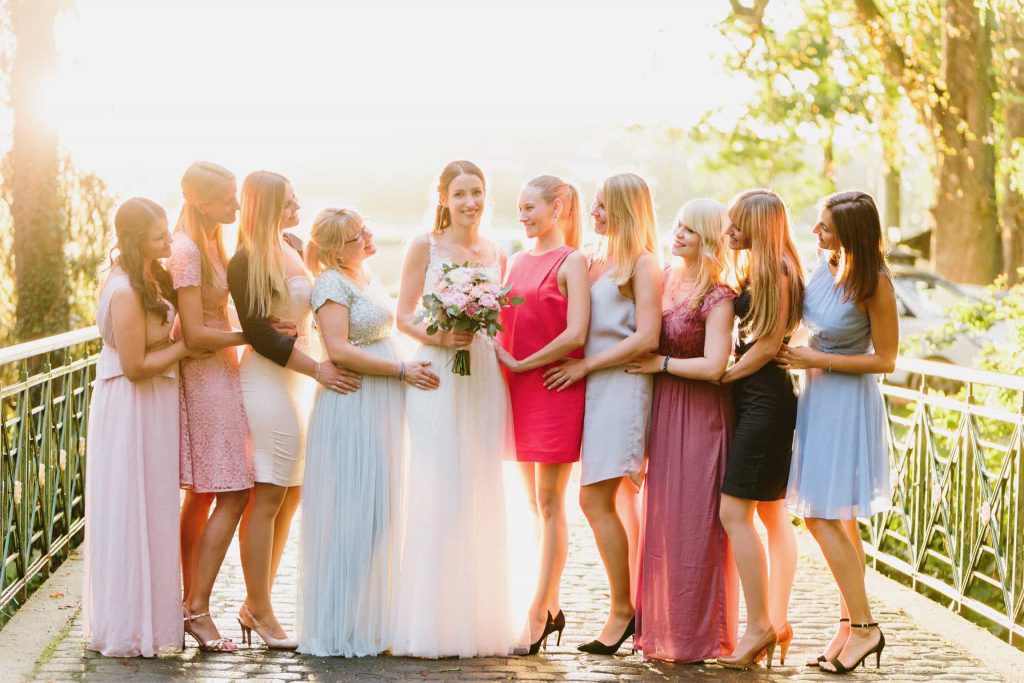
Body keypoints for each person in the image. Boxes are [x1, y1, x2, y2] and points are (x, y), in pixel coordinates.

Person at [392, 160, 524, 657]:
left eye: (478, 192)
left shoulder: (496, 251)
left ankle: (477, 620)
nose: (471, 202)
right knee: (437, 484)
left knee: (478, 485)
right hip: (437, 370)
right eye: (461, 193)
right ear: (444, 197)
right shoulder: (423, 246)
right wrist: (441, 335)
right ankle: (428, 621)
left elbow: (499, 321)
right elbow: (403, 315)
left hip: (482, 374)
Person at [297, 208, 438, 657]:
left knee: (379, 513)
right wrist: (400, 370)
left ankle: (368, 618)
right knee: (354, 516)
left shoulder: (362, 275)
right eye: (359, 236)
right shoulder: (330, 284)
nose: (369, 236)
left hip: (379, 403)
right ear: (336, 249)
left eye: (366, 229)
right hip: (354, 402)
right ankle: (337, 626)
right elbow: (337, 349)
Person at [227, 171, 360, 649]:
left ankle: (254, 601)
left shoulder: (294, 244)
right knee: (268, 494)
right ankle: (259, 608)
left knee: (294, 492)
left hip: (298, 375)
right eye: (288, 199)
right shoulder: (245, 260)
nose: (297, 203)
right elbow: (259, 334)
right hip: (269, 380)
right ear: (266, 205)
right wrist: (318, 369)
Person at [777, 191, 896, 674]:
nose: (816, 232)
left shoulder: (876, 283)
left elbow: (886, 360)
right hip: (816, 397)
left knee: (822, 516)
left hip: (847, 402)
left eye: (825, 226)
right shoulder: (823, 266)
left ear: (851, 233)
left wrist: (817, 358)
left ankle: (867, 628)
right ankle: (847, 625)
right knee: (840, 518)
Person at [83, 198, 206, 656]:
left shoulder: (148, 277)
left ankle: (154, 622)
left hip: (154, 402)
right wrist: (186, 349)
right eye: (158, 237)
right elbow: (134, 366)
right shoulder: (125, 289)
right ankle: (128, 627)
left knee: (153, 507)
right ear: (136, 240)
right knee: (129, 508)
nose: (168, 242)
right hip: (132, 404)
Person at [544, 172, 661, 655]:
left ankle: (623, 611)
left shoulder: (645, 265)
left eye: (602, 207)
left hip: (623, 389)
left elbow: (648, 336)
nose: (593, 214)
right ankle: (633, 605)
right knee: (608, 502)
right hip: (589, 389)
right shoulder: (593, 261)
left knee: (594, 501)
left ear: (628, 211)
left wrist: (588, 364)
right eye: (592, 205)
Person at [626, 199, 739, 662]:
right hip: (666, 411)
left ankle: (700, 637)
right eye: (677, 226)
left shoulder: (720, 294)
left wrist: (661, 363)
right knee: (663, 522)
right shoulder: (664, 279)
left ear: (709, 238)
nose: (678, 235)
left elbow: (715, 366)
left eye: (690, 230)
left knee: (696, 525)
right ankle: (662, 630)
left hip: (702, 414)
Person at [495, 175, 590, 653]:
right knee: (532, 506)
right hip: (515, 391)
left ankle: (540, 610)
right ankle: (548, 606)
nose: (523, 215)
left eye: (531, 206)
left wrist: (523, 363)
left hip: (554, 387)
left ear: (558, 206)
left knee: (552, 503)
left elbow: (576, 334)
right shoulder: (513, 261)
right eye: (519, 207)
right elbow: (502, 324)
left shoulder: (573, 261)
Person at [716, 189, 804, 670]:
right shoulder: (766, 266)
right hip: (759, 397)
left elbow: (768, 345)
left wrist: (723, 375)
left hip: (764, 401)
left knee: (735, 512)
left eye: (736, 223)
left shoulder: (776, 271)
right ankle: (777, 619)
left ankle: (759, 627)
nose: (729, 230)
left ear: (759, 225)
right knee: (771, 512)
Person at [169, 161, 251, 652]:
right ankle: (197, 607)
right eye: (227, 199)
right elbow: (194, 332)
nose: (236, 206)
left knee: (202, 494)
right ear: (201, 201)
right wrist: (256, 338)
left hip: (222, 370)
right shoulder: (185, 250)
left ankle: (188, 603)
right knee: (233, 491)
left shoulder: (209, 243)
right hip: (205, 376)